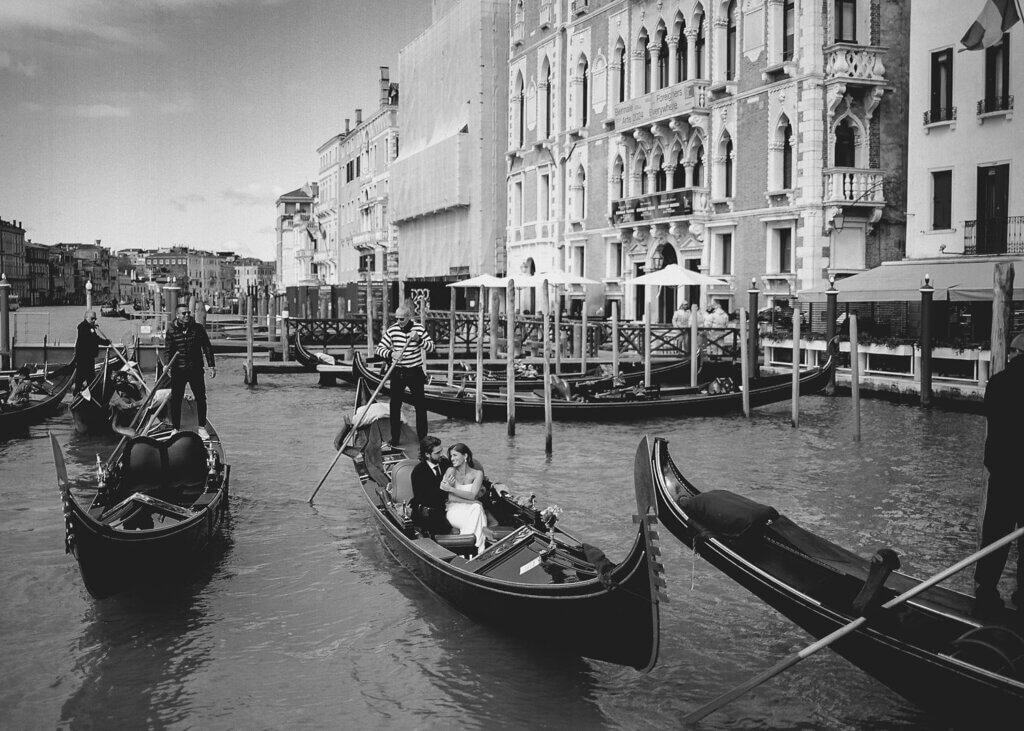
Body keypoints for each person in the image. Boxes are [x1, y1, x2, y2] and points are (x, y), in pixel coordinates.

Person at [974, 332, 1024, 615]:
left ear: (1014, 354)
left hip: (1004, 472)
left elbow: (989, 412)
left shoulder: (998, 382)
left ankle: (986, 590)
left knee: (995, 534)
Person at [375, 301, 435, 446]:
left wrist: (418, 339)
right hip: (398, 372)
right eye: (396, 318)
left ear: (409, 317)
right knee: (395, 407)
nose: (398, 322)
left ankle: (423, 439)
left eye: (401, 319)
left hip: (415, 372)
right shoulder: (393, 330)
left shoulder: (419, 328)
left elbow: (431, 347)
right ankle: (395, 439)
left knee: (420, 407)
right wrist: (392, 354)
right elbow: (379, 349)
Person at [164, 303, 216, 438]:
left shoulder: (197, 329)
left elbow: (207, 347)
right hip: (178, 370)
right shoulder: (171, 330)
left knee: (200, 398)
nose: (187, 315)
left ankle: (201, 427)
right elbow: (168, 350)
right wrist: (166, 365)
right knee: (176, 400)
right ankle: (175, 428)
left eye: (188, 313)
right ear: (177, 315)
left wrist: (211, 365)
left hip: (195, 369)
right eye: (184, 313)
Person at [440, 442, 487, 556]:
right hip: (454, 510)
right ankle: (478, 552)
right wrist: (470, 501)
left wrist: (451, 489)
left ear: (465, 456)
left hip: (472, 509)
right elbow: (448, 497)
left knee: (476, 509)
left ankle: (466, 551)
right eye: (451, 456)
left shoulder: (477, 474)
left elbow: (472, 495)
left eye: (455, 455)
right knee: (477, 508)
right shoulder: (451, 471)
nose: (452, 459)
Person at [410, 435, 454, 536]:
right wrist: (447, 487)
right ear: (427, 454)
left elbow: (461, 474)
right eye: (437, 453)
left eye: (441, 451)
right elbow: (426, 499)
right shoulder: (418, 472)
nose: (441, 455)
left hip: (447, 505)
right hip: (429, 511)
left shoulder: (444, 463)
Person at [73, 310, 110, 393]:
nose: (94, 320)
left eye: (95, 319)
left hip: (89, 358)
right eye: (92, 319)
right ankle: (77, 394)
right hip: (83, 358)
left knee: (90, 378)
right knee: (81, 378)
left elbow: (94, 336)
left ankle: (91, 394)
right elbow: (94, 339)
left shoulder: (90, 327)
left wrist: (93, 326)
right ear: (86, 318)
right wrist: (106, 342)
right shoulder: (82, 327)